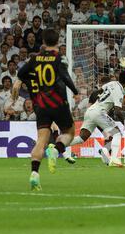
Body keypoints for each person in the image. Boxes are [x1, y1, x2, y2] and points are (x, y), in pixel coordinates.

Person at [13, 28, 80, 191]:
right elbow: (64, 76)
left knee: (41, 140)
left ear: (43, 41)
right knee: (70, 133)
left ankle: (34, 174)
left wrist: (17, 81)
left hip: (41, 105)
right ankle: (56, 152)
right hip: (57, 102)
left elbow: (21, 73)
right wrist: (76, 92)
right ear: (58, 41)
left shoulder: (35, 59)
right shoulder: (59, 58)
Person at [69, 71, 125, 167]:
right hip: (99, 113)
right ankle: (114, 159)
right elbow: (118, 111)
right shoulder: (119, 91)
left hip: (90, 110)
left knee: (82, 138)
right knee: (117, 134)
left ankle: (58, 145)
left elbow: (99, 92)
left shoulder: (112, 83)